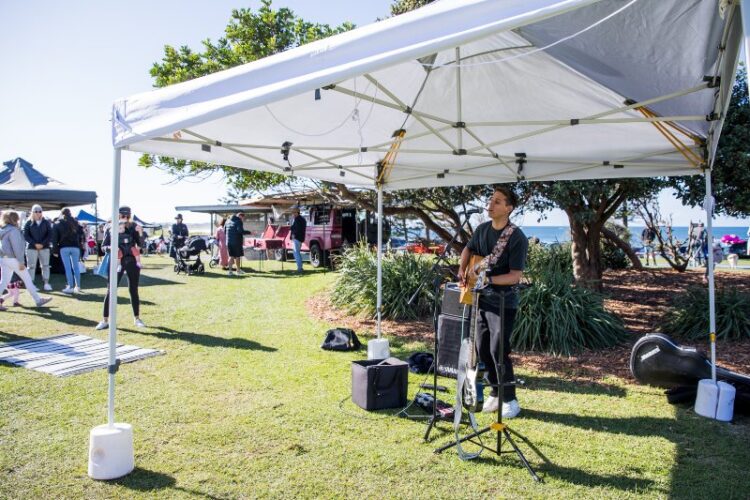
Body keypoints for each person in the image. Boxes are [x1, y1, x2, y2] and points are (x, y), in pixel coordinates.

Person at [458, 187, 528, 418]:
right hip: (480, 300)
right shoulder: (482, 229)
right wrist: (462, 269)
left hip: (503, 303)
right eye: (490, 200)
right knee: (482, 349)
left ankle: (510, 399)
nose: (491, 205)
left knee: (499, 349)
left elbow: (514, 276)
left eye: (497, 202)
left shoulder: (516, 237)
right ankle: (495, 393)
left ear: (508, 208)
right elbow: (468, 249)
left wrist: (487, 278)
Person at [96, 206, 145, 329]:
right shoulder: (110, 227)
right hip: (116, 261)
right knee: (111, 290)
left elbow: (141, 246)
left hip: (131, 260)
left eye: (128, 216)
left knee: (133, 289)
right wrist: (111, 248)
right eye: (123, 216)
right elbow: (103, 247)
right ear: (117, 215)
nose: (126, 219)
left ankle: (137, 318)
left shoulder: (133, 226)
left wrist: (140, 233)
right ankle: (105, 320)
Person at [0, 210, 53, 310]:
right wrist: (21, 262)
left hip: (4, 259)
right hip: (13, 259)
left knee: (3, 282)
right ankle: (38, 300)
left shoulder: (3, 230)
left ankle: (38, 300)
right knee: (27, 279)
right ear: (14, 219)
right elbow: (17, 247)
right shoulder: (13, 231)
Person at [51, 207, 84, 294]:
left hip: (64, 247)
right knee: (76, 267)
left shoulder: (57, 223)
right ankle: (78, 286)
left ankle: (70, 286)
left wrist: (55, 250)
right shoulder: (76, 222)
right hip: (75, 247)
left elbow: (54, 239)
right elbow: (81, 235)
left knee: (68, 268)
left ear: (61, 213)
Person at [23, 204, 53, 291]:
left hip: (45, 247)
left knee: (45, 266)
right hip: (31, 248)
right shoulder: (28, 223)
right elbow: (26, 235)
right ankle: (31, 284)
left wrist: (42, 244)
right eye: (36, 211)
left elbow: (50, 234)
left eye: (40, 211)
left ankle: (46, 283)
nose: (38, 213)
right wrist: (35, 244)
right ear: (32, 212)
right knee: (31, 266)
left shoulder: (46, 222)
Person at [290, 207, 307, 274]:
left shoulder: (297, 219)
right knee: (297, 252)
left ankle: (300, 268)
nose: (293, 214)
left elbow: (296, 229)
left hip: (296, 238)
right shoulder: (302, 219)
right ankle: (300, 267)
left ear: (297, 212)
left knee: (296, 253)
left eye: (294, 213)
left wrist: (293, 234)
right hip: (300, 238)